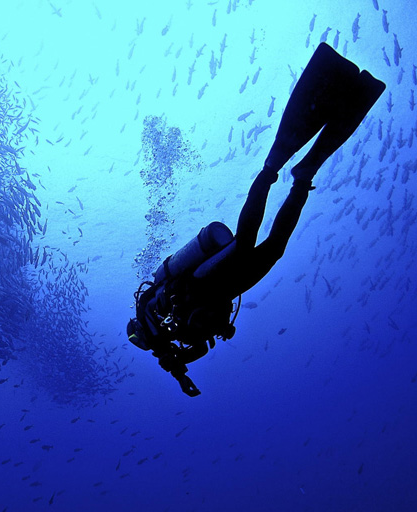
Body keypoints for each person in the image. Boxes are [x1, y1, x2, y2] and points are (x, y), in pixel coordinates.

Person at [128, 43, 386, 396]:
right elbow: (200, 347)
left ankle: (271, 168)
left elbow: (178, 312)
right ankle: (302, 177)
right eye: (141, 342)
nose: (142, 340)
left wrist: (173, 354)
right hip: (231, 287)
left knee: (245, 242)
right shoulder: (169, 348)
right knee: (275, 249)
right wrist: (182, 371)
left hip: (203, 281)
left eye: (138, 338)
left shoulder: (150, 314)